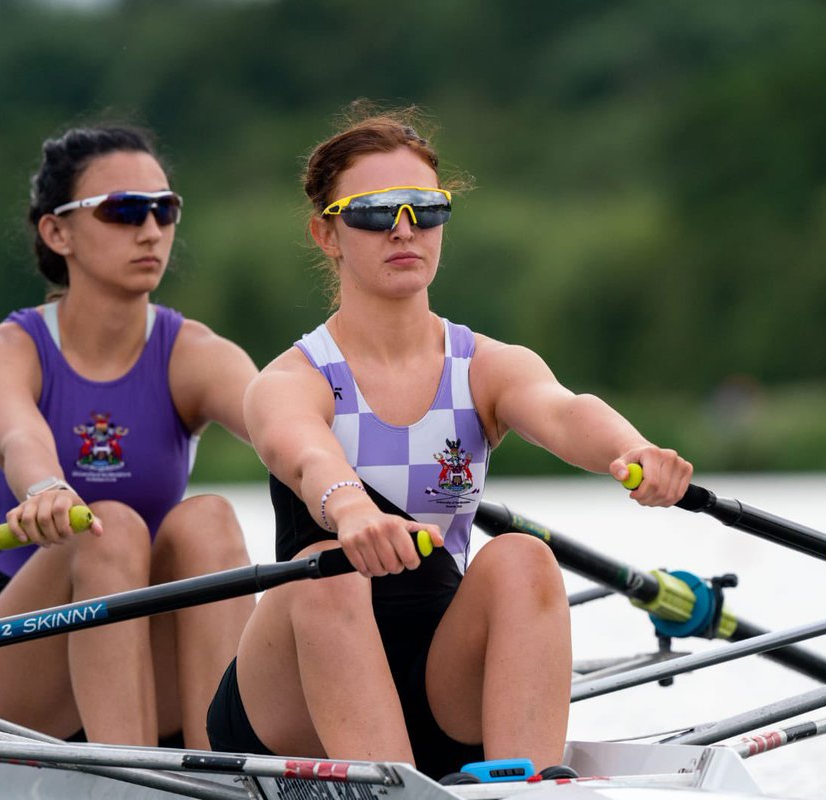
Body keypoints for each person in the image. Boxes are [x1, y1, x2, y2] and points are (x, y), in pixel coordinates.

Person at [205, 107, 693, 779]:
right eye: (374, 212)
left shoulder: (486, 367)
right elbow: (308, 456)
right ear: (327, 233)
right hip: (295, 700)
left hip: (439, 683)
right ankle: (393, 788)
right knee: (329, 570)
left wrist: (634, 450)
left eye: (425, 209)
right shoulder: (291, 380)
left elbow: (564, 411)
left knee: (524, 556)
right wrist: (352, 510)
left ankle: (526, 784)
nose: (404, 229)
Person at [0, 124, 257, 750]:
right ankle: (129, 777)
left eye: (164, 210)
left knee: (209, 520)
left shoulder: (196, 354)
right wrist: (45, 488)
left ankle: (221, 768)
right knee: (108, 528)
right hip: (4, 665)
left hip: (135, 645)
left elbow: (290, 432)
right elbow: (18, 435)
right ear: (58, 232)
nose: (150, 230)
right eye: (123, 210)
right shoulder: (6, 351)